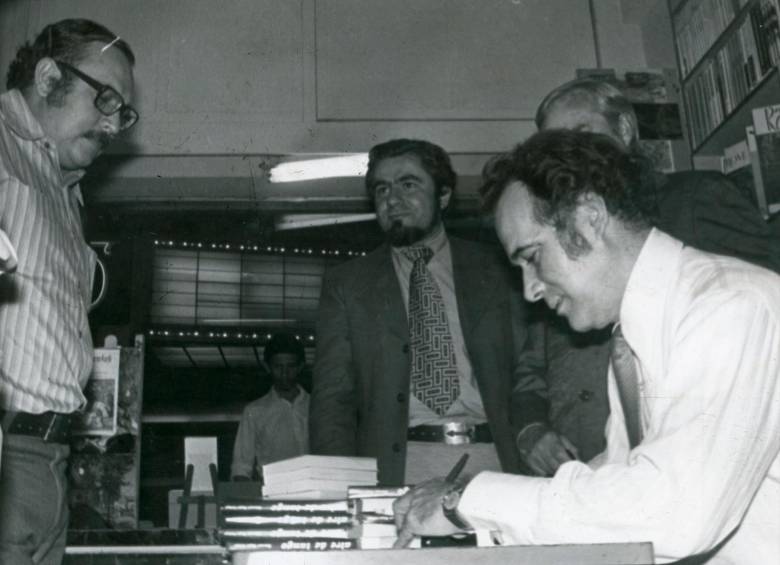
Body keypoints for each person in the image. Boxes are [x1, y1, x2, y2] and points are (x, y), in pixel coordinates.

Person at [392, 129, 780, 564]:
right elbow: (620, 476)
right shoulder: (631, 337)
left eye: (533, 256)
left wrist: (467, 502)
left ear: (590, 218)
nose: (530, 290)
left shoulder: (730, 306)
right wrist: (476, 506)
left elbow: (674, 511)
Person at [513, 77, 780, 476]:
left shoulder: (695, 197)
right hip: (590, 467)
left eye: (581, 135)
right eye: (555, 145)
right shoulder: (555, 249)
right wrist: (532, 430)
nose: (569, 154)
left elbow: (760, 314)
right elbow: (534, 364)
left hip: (690, 458)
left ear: (624, 130)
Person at [309, 138, 545, 486]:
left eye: (408, 184)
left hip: (496, 461)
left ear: (444, 195)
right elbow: (333, 401)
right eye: (382, 189)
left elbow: (532, 369)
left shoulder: (499, 270)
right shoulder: (348, 285)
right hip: (396, 469)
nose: (392, 199)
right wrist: (334, 488)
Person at [0, 19, 137, 565]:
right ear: (49, 76)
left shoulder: (61, 185)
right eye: (104, 99)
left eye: (122, 113)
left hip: (49, 456)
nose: (113, 125)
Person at [231, 332, 310, 481]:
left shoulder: (316, 407)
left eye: (291, 366)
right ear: (267, 367)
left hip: (314, 493)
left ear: (301, 367)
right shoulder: (253, 412)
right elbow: (241, 466)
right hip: (270, 494)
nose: (284, 373)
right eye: (278, 367)